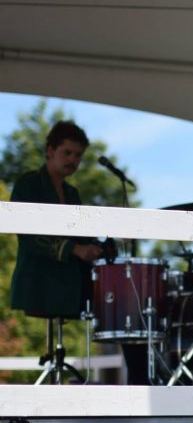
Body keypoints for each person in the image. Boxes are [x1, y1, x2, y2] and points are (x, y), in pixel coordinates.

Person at [10, 120, 103, 319]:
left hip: (68, 288)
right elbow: (28, 233)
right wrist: (75, 249)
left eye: (78, 155)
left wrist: (100, 246)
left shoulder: (72, 193)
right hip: (38, 283)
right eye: (67, 153)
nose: (73, 160)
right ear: (50, 150)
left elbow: (81, 237)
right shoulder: (29, 184)